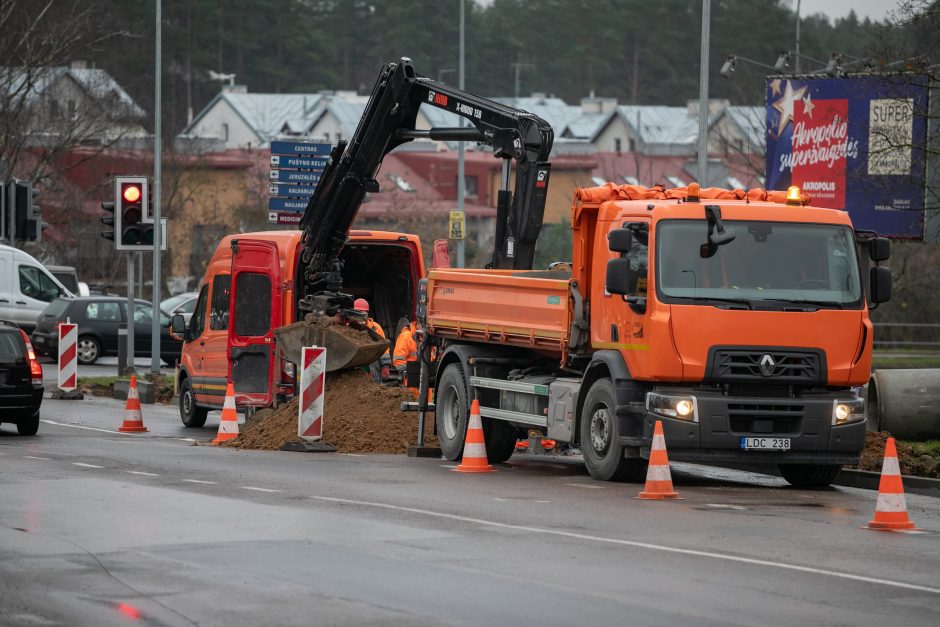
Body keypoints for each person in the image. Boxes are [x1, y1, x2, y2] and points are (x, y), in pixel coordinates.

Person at [353, 298, 391, 380]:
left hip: (373, 368)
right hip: (354, 369)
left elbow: (384, 349)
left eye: (362, 313)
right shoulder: (348, 328)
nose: (360, 316)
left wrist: (385, 365)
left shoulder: (375, 328)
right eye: (357, 313)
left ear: (367, 313)